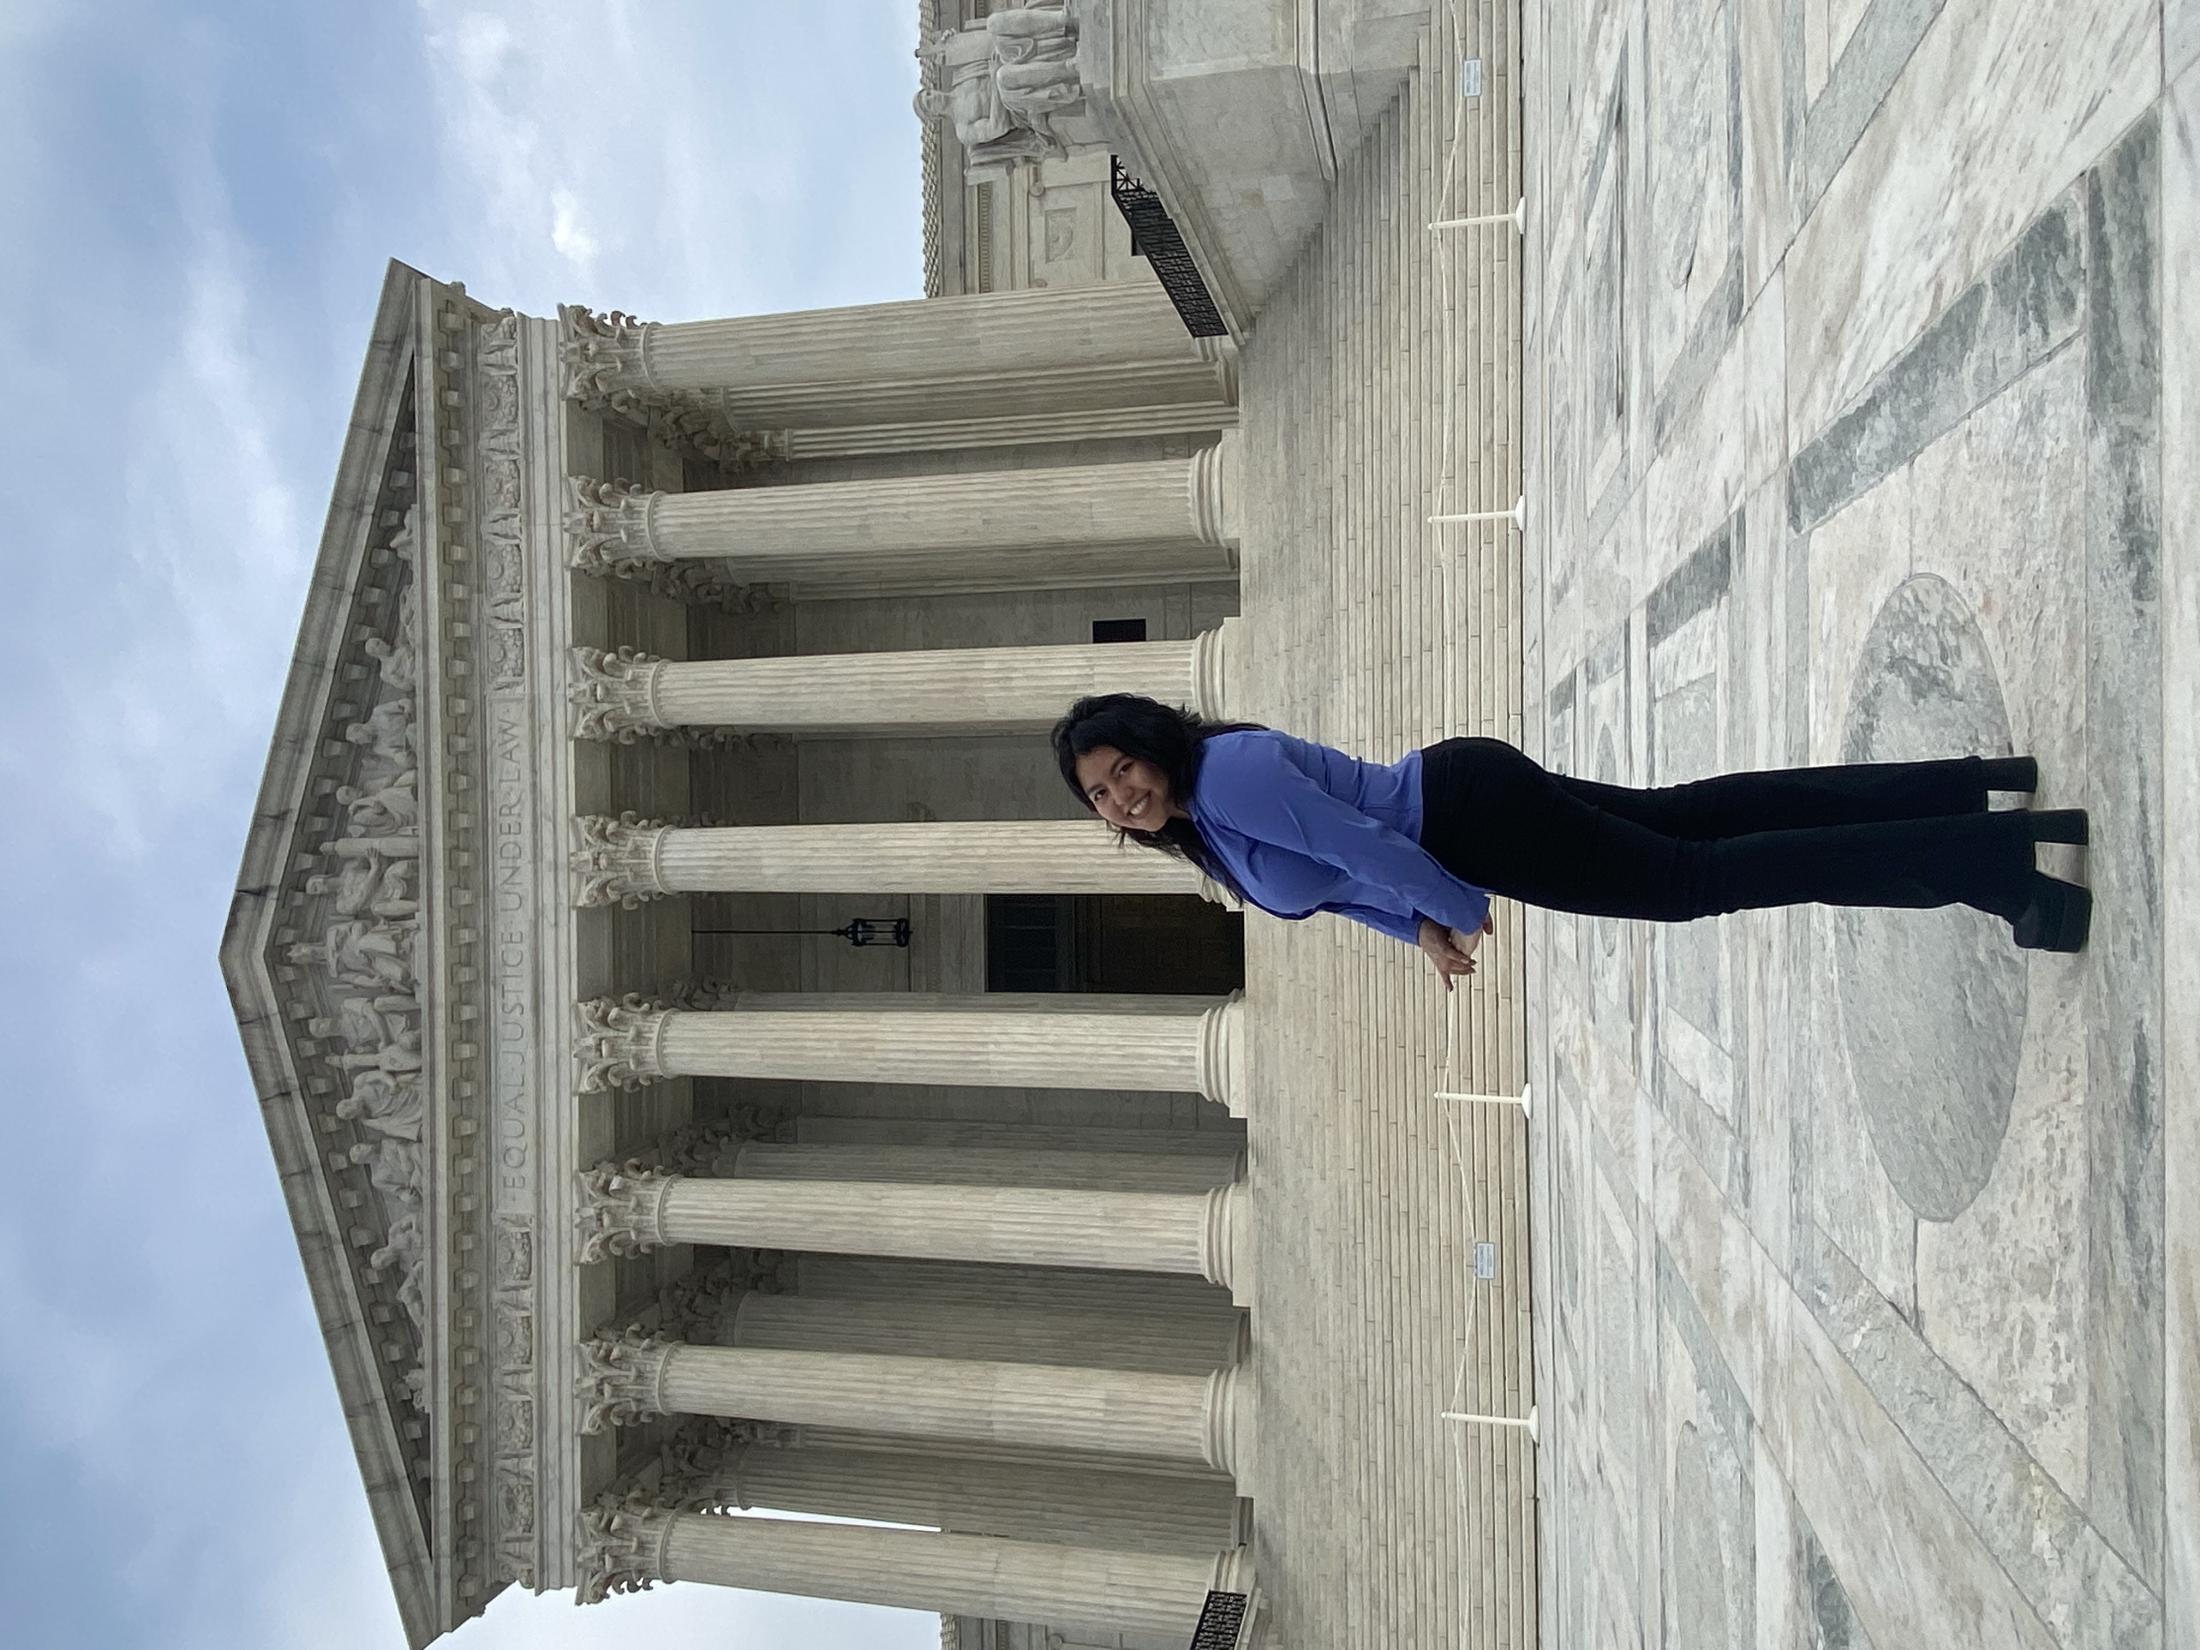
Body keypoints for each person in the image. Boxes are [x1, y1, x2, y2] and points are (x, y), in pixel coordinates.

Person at [1049, 694, 2091, 990]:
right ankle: (1970, 795)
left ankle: (1988, 862)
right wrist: (1419, 933)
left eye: (1119, 770)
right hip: (1466, 806)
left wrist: (1453, 910)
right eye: (1099, 796)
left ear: (1148, 742)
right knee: (1699, 823)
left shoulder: (1223, 776)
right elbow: (1333, 886)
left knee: (1696, 877)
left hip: (1463, 816)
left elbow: (1362, 844)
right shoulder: (1210, 835)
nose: (1120, 796)